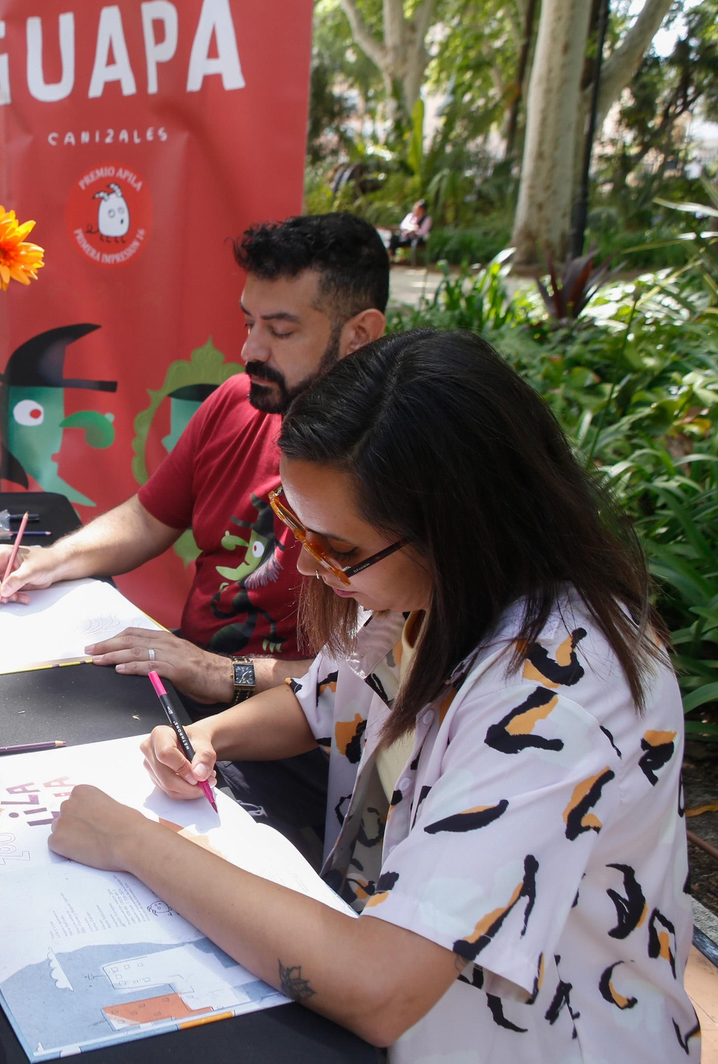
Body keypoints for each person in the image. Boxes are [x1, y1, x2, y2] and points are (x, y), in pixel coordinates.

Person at [48, 329, 697, 1059]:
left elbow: (381, 985)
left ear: (457, 525)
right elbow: (322, 702)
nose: (310, 568)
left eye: (341, 548)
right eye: (297, 527)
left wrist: (132, 842)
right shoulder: (415, 595)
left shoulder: (559, 691)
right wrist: (207, 739)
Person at [0, 213, 388, 847]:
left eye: (281, 331)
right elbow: (149, 515)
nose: (251, 350)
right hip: (184, 698)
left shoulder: (389, 475)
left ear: (359, 334)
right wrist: (48, 561)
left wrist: (223, 673)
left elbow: (356, 683)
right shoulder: (238, 402)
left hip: (293, 746)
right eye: (249, 324)